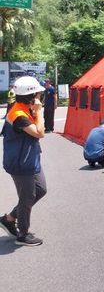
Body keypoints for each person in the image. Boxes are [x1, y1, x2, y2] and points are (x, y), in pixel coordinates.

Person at [0, 76, 46, 246]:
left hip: (30, 159)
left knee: (41, 189)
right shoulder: (18, 114)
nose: (40, 97)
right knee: (27, 197)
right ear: (31, 96)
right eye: (38, 94)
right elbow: (40, 132)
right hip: (20, 163)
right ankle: (23, 234)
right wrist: (39, 111)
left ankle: (9, 218)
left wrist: (34, 111)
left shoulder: (24, 108)